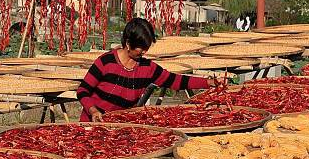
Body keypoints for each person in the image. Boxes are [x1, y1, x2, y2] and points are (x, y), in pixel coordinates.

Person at [77, 17, 214, 122]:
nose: (144, 52)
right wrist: (93, 110)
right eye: (141, 48)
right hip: (93, 124)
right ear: (128, 44)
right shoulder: (106, 62)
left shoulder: (147, 68)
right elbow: (83, 91)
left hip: (120, 126)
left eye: (146, 48)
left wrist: (208, 83)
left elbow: (174, 80)